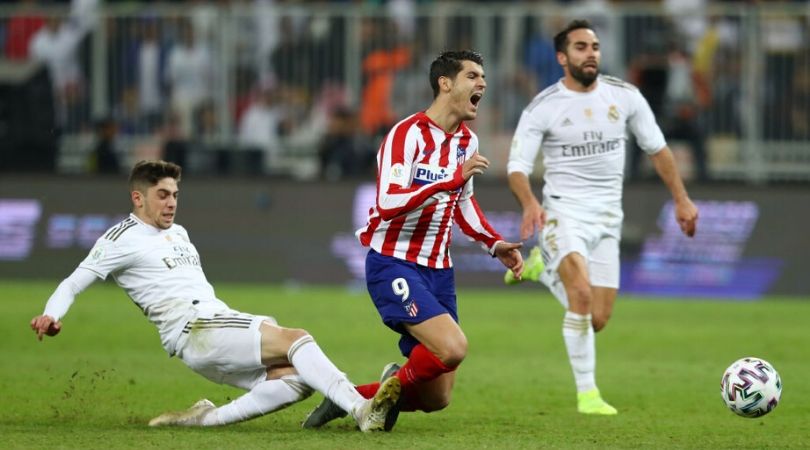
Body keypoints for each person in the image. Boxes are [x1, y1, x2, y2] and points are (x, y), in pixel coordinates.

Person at [30, 160, 400, 432]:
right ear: (137, 198)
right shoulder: (120, 238)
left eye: (175, 194)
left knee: (298, 379)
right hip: (195, 328)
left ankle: (205, 419)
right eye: (162, 195)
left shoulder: (180, 232)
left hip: (211, 328)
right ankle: (360, 408)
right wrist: (51, 314)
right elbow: (73, 281)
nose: (171, 202)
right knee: (297, 338)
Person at [301, 50, 524, 430]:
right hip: (394, 262)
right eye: (473, 76)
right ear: (445, 83)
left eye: (483, 76)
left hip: (439, 270)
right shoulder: (406, 134)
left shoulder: (466, 142)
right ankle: (370, 405)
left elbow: (463, 202)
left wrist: (494, 243)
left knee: (437, 397)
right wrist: (448, 181)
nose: (482, 83)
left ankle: (350, 397)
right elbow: (388, 202)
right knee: (454, 348)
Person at [504, 20, 699, 415]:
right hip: (563, 213)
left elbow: (658, 149)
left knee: (596, 318)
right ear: (562, 58)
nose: (590, 52)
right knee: (579, 295)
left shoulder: (625, 96)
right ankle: (588, 395)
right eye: (580, 47)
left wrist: (681, 200)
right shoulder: (544, 106)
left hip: (608, 217)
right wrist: (529, 203)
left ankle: (541, 269)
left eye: (594, 46)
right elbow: (516, 167)